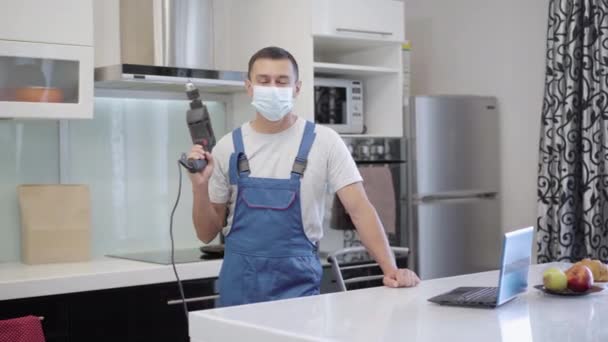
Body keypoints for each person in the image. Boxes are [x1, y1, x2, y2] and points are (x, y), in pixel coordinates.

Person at [188, 46, 420, 307]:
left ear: (297, 88)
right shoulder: (227, 147)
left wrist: (390, 269)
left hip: (298, 293)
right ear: (249, 87)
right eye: (264, 81)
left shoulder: (325, 141)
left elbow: (360, 210)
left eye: (282, 81)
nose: (273, 88)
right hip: (238, 292)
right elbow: (206, 234)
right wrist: (200, 187)